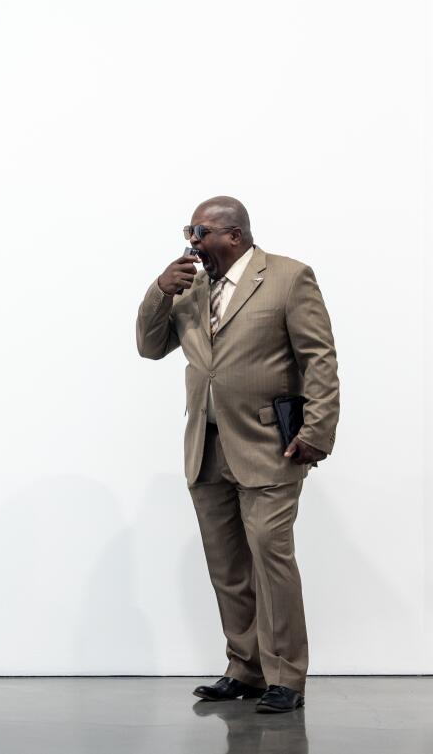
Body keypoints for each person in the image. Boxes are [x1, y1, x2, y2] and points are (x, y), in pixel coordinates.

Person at [136, 196, 339, 713]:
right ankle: (244, 667)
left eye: (199, 231)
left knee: (271, 560)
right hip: (206, 447)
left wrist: (318, 430)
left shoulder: (290, 278)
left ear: (235, 234)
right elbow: (149, 345)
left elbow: (318, 358)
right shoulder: (190, 286)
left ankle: (286, 676)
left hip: (272, 446)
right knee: (227, 566)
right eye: (189, 231)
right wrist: (161, 290)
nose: (191, 241)